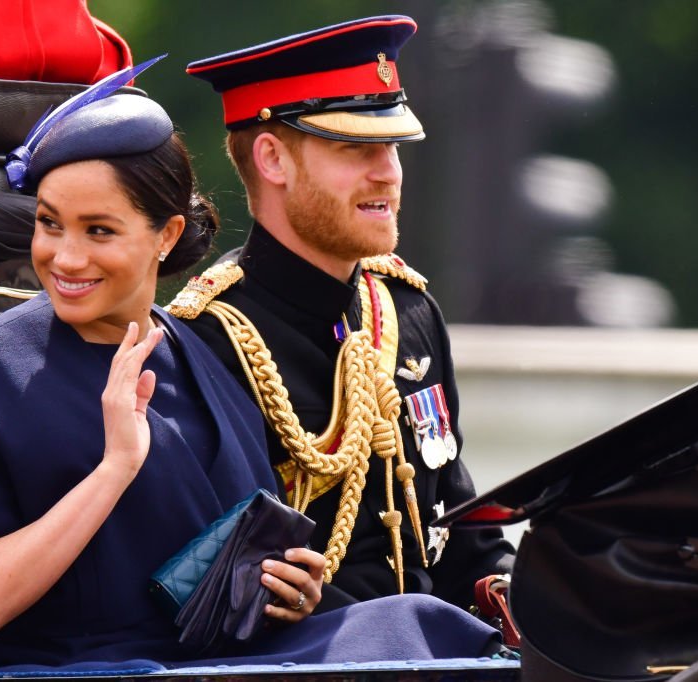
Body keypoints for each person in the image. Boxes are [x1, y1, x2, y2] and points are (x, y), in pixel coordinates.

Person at [0, 59, 502, 668]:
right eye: (50, 225)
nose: (64, 257)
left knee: (431, 631)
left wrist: (288, 592)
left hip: (221, 664)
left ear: (164, 236)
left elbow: (223, 580)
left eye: (98, 231)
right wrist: (112, 471)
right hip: (85, 672)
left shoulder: (194, 359)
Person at [170, 16, 516, 613]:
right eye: (355, 148)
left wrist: (518, 589)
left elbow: (461, 538)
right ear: (273, 159)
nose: (387, 171)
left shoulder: (408, 311)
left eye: (392, 147)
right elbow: (211, 585)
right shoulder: (205, 339)